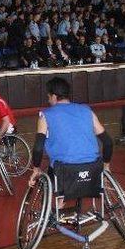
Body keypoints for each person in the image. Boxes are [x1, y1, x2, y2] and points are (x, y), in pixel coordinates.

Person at [28, 77, 113, 205]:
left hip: (65, 172)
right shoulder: (87, 111)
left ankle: (59, 204)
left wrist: (36, 169)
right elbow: (107, 142)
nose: (48, 100)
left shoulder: (46, 115)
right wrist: (106, 166)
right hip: (93, 169)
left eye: (49, 97)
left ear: (54, 97)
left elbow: (38, 147)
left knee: (49, 174)